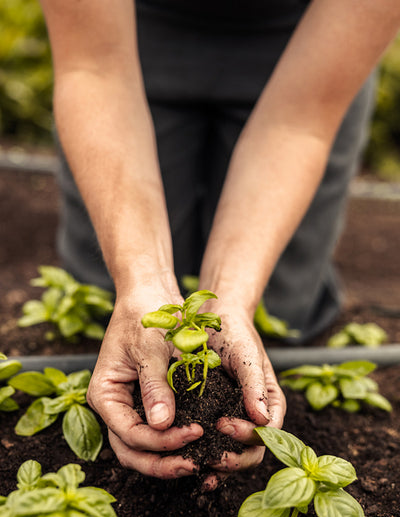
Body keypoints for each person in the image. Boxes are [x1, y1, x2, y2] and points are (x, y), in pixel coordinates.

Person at [39, 0, 400, 490]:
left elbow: (298, 121)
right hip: (133, 39)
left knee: (282, 308)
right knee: (111, 296)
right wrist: (141, 281)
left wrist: (231, 299)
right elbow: (93, 69)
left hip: (305, 54)